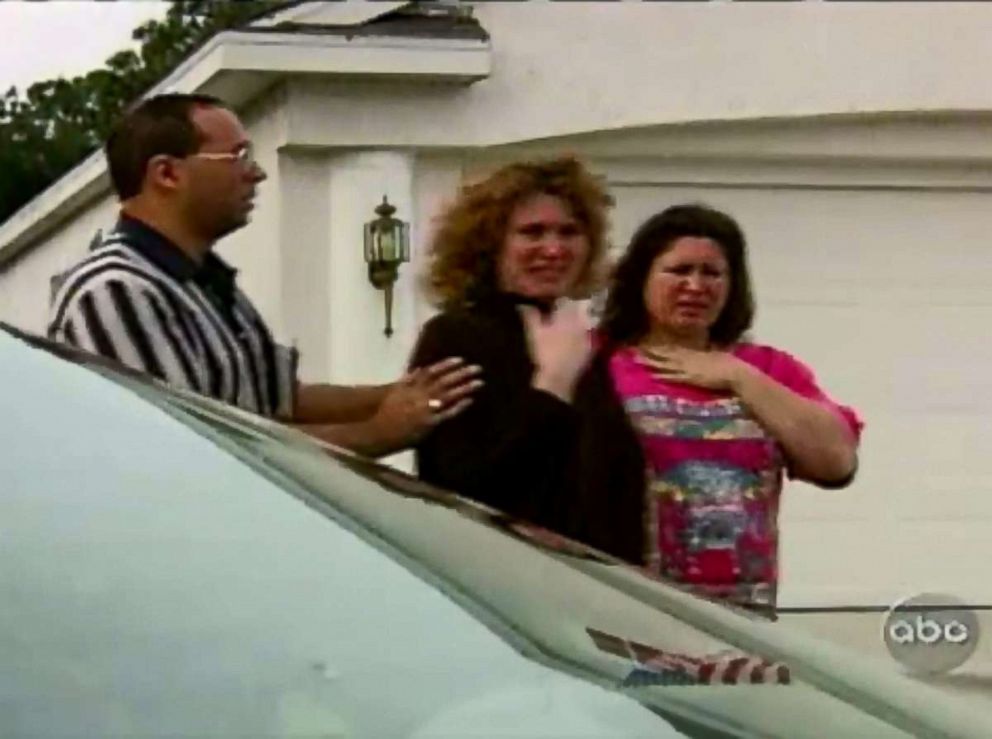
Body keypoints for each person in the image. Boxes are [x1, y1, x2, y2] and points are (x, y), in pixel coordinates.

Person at [48, 93, 480, 458]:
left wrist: (402, 393)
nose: (255, 172)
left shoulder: (208, 283)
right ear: (167, 173)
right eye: (238, 156)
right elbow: (193, 450)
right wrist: (377, 433)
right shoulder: (114, 291)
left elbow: (280, 400)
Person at [597, 203, 863, 610]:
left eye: (712, 273)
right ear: (641, 278)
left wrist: (738, 378)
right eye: (679, 270)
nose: (696, 285)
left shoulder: (768, 369)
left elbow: (836, 462)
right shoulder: (597, 360)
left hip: (739, 626)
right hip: (626, 611)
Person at [409, 156, 646, 546]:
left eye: (568, 232)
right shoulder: (455, 337)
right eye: (532, 233)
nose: (553, 249)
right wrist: (551, 390)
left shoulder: (581, 342)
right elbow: (464, 484)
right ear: (490, 245)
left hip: (596, 586)